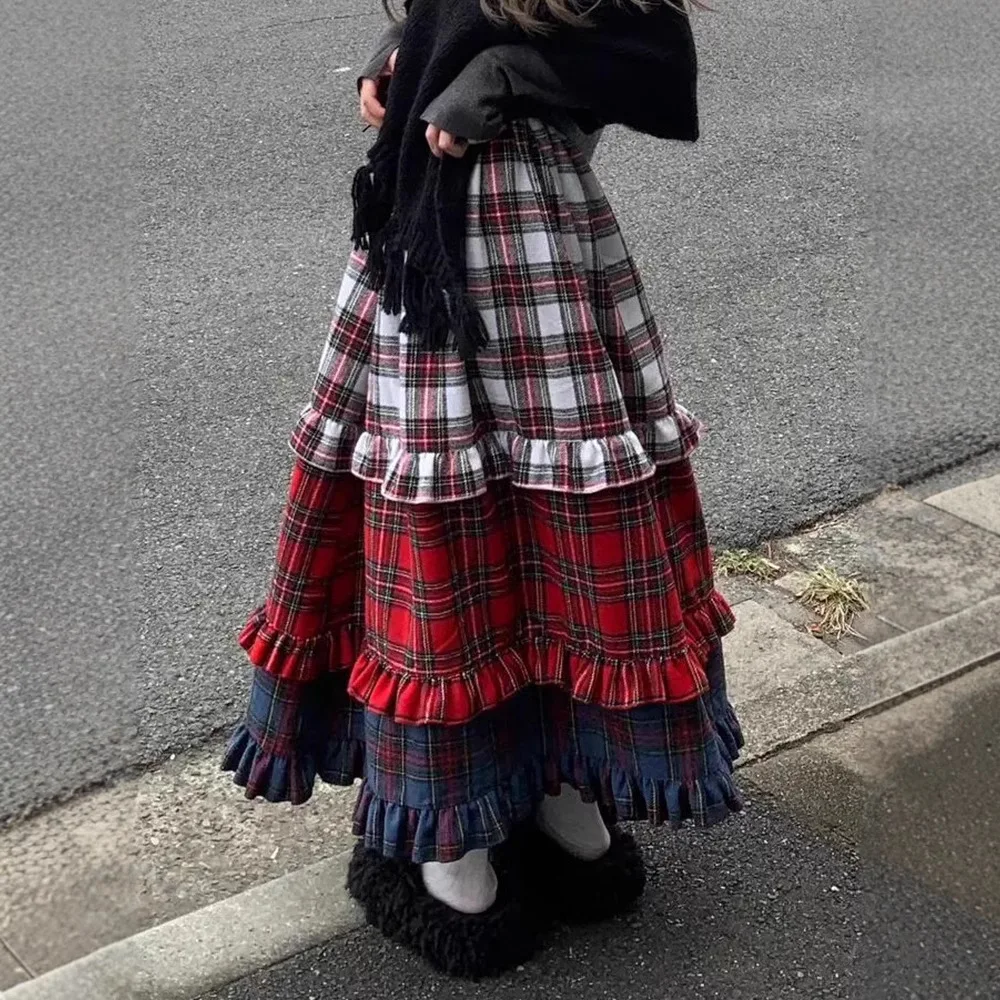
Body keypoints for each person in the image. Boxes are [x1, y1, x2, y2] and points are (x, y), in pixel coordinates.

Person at [224, 0, 743, 979]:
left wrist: (490, 78)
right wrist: (409, 55)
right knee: (555, 531)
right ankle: (570, 815)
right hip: (540, 258)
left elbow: (646, 59)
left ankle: (454, 856)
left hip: (453, 265)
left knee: (446, 535)